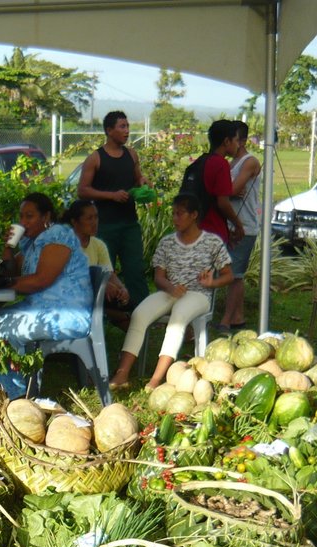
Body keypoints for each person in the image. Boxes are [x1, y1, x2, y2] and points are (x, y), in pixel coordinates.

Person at [108, 193, 233, 390]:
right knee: (139, 314)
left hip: (199, 295)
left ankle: (156, 379)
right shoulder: (167, 242)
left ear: (193, 215)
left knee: (179, 316)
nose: (175, 218)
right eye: (173, 214)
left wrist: (211, 282)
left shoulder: (212, 242)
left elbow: (228, 275)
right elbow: (159, 278)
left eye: (180, 214)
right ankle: (122, 374)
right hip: (170, 292)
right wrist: (170, 287)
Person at [0, 192, 93, 397]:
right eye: (21, 217)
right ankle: (1, 388)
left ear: (46, 218)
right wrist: (8, 246)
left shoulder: (58, 235)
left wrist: (6, 284)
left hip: (67, 312)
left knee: (8, 329)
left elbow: (42, 279)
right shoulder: (32, 242)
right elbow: (9, 270)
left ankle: (16, 395)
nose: (23, 222)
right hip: (41, 308)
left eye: (29, 216)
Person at [77, 111, 148, 309]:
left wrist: (142, 183)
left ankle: (141, 311)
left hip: (129, 223)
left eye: (127, 126)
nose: (127, 131)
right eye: (122, 127)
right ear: (109, 130)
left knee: (135, 270)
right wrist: (111, 195)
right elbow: (82, 190)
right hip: (105, 224)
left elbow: (137, 178)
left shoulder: (131, 154)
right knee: (104, 273)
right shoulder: (96, 158)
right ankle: (106, 314)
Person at [219, 119, 261, 331]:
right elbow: (228, 190)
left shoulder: (250, 161)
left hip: (245, 225)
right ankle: (237, 317)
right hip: (229, 224)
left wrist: (228, 190)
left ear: (242, 140)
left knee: (235, 275)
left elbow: (232, 189)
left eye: (233, 138)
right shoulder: (229, 163)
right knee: (234, 273)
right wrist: (228, 190)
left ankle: (226, 320)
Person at [61, 199, 130, 318]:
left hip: (97, 293)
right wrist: (102, 285)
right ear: (75, 222)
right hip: (69, 293)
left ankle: (120, 319)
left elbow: (109, 273)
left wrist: (122, 289)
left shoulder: (98, 245)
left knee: (125, 302)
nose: (94, 222)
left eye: (96, 217)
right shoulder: (64, 243)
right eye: (89, 218)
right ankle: (108, 314)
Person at [198, 119, 245, 247]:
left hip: (196, 230)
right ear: (226, 141)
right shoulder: (221, 164)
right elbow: (223, 202)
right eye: (235, 140)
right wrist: (238, 225)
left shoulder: (201, 161)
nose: (238, 145)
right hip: (213, 232)